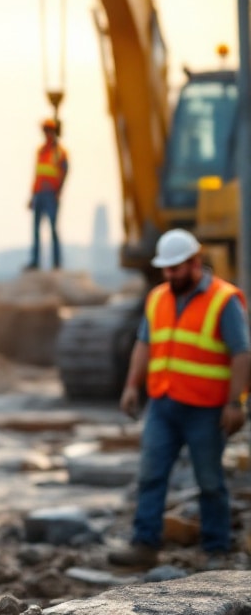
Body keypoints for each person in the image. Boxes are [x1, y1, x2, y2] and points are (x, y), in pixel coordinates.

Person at [107, 229, 250, 569]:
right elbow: (145, 344)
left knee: (210, 481)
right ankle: (144, 544)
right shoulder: (158, 298)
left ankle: (216, 549)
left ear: (194, 263)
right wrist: (131, 386)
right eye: (166, 269)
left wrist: (236, 403)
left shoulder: (223, 300)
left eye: (176, 268)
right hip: (164, 403)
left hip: (205, 408)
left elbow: (242, 354)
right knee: (150, 475)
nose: (169, 275)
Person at [27, 119, 68, 270]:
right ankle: (35, 261)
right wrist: (32, 196)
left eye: (48, 130)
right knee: (36, 229)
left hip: (51, 194)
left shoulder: (59, 152)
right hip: (39, 193)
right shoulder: (41, 151)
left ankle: (57, 262)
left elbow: (64, 172)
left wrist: (59, 191)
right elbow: (37, 174)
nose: (46, 134)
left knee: (53, 229)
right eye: (44, 130)